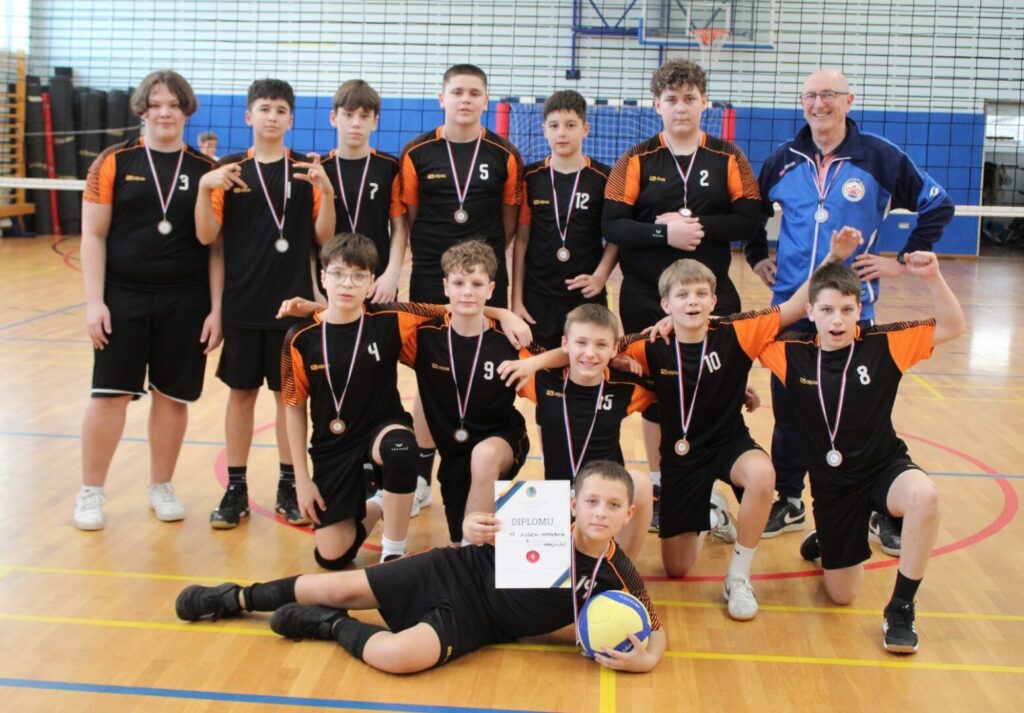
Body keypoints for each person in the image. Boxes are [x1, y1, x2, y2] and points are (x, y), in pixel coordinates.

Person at [175, 460, 666, 674]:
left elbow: (656, 627)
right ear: (574, 502)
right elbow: (476, 527)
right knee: (340, 587)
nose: (600, 513)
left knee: (398, 657)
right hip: (455, 570)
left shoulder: (617, 573)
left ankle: (327, 626)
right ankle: (235, 597)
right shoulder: (539, 511)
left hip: (479, 622)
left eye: (613, 506)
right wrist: (473, 526)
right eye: (592, 501)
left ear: (629, 515)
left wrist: (648, 659)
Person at [746, 68, 955, 546]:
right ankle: (789, 499)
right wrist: (757, 255)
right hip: (793, 311)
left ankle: (878, 504)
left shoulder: (880, 157)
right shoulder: (783, 159)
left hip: (850, 312)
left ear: (849, 101)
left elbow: (938, 205)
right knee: (790, 414)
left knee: (861, 417)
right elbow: (751, 213)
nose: (819, 104)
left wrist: (901, 261)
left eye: (829, 95)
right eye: (811, 95)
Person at [612, 228, 862, 619]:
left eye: (701, 294)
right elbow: (594, 350)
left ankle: (739, 576)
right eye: (682, 295)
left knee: (762, 475)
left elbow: (796, 306)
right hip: (682, 458)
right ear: (665, 304)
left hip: (729, 444)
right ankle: (712, 512)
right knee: (677, 569)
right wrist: (618, 359)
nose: (692, 302)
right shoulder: (648, 344)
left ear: (714, 301)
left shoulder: (737, 331)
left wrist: (832, 258)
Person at [759, 253, 964, 653]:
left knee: (925, 496)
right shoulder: (790, 353)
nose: (837, 320)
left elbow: (953, 326)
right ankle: (830, 534)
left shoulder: (885, 344)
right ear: (810, 312)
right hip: (834, 487)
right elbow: (733, 336)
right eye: (827, 310)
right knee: (842, 595)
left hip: (884, 468)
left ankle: (901, 608)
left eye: (847, 310)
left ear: (859, 310)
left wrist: (934, 277)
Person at [602, 58, 761, 529]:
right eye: (671, 99)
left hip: (710, 300)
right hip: (645, 297)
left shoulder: (729, 156)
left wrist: (695, 226)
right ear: (657, 105)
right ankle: (659, 485)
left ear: (704, 102)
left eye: (690, 98)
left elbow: (750, 220)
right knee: (655, 392)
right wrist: (661, 232)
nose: (681, 107)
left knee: (711, 391)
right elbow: (612, 225)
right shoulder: (635, 159)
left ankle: (707, 488)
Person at [74, 70, 219, 530]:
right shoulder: (113, 162)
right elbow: (93, 235)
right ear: (142, 110)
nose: (164, 112)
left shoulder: (204, 168)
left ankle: (162, 485)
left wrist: (217, 310)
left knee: (172, 397)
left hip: (186, 299)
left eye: (173, 105)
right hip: (123, 297)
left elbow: (217, 247)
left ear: (186, 111)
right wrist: (94, 302)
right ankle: (91, 491)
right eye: (156, 104)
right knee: (108, 395)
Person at [194, 78, 336, 530]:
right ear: (248, 116)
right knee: (240, 395)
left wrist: (329, 192)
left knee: (287, 399)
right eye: (264, 109)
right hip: (242, 305)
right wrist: (203, 189)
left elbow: (325, 238)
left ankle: (288, 484)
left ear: (291, 119)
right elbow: (207, 237)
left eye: (280, 110)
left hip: (292, 307)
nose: (272, 116)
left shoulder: (305, 171)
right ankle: (235, 488)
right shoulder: (228, 170)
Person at [400, 64, 525, 500]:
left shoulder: (504, 154)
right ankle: (420, 475)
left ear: (486, 100)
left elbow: (509, 222)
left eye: (474, 92)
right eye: (457, 92)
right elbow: (411, 217)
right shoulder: (417, 152)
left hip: (484, 280)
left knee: (486, 372)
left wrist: (478, 271)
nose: (465, 99)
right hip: (431, 279)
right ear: (442, 98)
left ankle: (482, 464)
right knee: (430, 375)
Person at [280, 234, 441, 565]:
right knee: (332, 558)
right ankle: (381, 502)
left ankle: (393, 551)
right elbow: (293, 409)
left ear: (371, 283)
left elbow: (455, 308)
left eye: (358, 276)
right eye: (338, 274)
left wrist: (505, 314)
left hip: (382, 429)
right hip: (333, 445)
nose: (347, 283)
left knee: (400, 448)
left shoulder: (391, 318)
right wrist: (302, 480)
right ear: (323, 277)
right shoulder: (299, 338)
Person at [402, 241, 534, 545]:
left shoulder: (509, 340)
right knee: (459, 535)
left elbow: (566, 361)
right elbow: (365, 314)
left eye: (476, 284)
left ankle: (469, 559)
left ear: (490, 289)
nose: (467, 292)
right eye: (459, 283)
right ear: (445, 287)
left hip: (500, 442)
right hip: (454, 457)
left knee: (483, 458)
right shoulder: (423, 336)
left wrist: (533, 361)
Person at [500, 303, 653, 558]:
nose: (590, 354)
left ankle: (617, 569)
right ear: (565, 343)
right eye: (581, 342)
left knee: (641, 483)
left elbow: (676, 382)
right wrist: (502, 312)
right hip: (558, 501)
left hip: (603, 502)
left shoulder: (626, 387)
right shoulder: (541, 378)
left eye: (601, 345)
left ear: (614, 349)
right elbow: (471, 312)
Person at [512, 90, 618, 349]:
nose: (561, 133)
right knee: (537, 368)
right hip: (538, 296)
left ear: (585, 129)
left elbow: (616, 236)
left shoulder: (605, 177)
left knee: (586, 362)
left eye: (570, 125)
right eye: (554, 126)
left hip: (586, 296)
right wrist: (516, 299)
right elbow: (522, 240)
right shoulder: (531, 177)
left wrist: (600, 277)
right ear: (544, 130)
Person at [322, 80, 409, 305]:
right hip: (333, 280)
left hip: (377, 281)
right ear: (333, 118)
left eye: (364, 116)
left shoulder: (389, 167)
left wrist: (392, 274)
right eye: (348, 115)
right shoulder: (320, 169)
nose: (356, 123)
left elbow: (400, 228)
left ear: (375, 122)